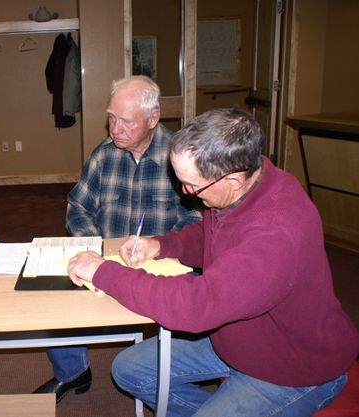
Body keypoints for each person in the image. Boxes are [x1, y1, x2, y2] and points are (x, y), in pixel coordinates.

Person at [67, 108, 359, 416]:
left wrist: (102, 271)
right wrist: (160, 245)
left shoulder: (276, 231)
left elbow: (194, 306)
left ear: (232, 178)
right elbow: (210, 235)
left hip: (294, 369)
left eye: (192, 184)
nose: (185, 192)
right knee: (129, 370)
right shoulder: (247, 184)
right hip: (237, 342)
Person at [35, 75, 201, 402]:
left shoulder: (181, 160)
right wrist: (93, 244)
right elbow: (78, 205)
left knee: (193, 295)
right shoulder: (104, 155)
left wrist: (159, 248)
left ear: (153, 119)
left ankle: (173, 369)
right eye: (111, 117)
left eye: (126, 120)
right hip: (104, 261)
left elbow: (196, 223)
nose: (115, 128)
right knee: (54, 294)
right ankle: (73, 372)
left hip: (159, 264)